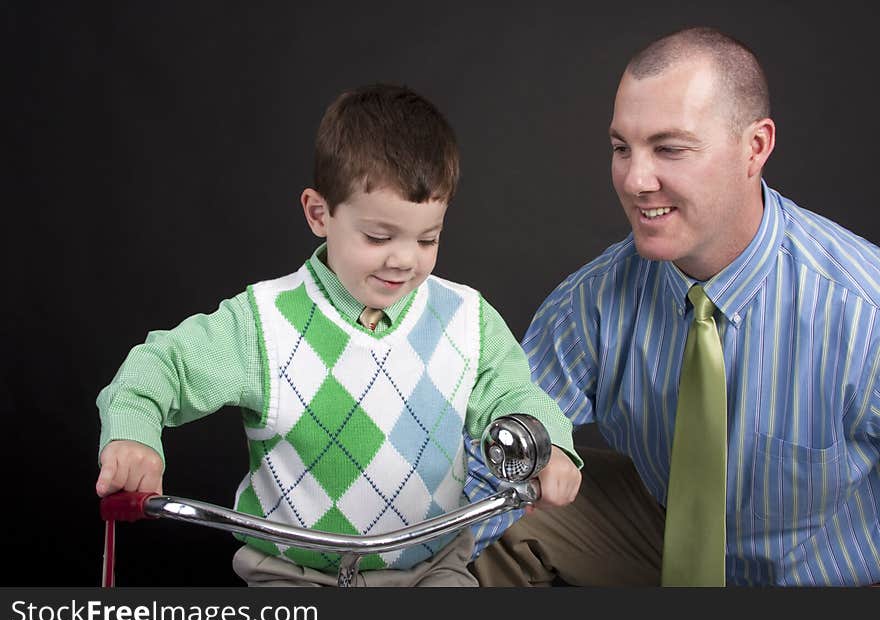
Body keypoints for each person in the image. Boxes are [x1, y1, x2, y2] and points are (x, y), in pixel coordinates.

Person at [94, 83, 582, 587]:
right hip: (292, 572)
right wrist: (134, 433)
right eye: (377, 237)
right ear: (319, 214)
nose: (404, 259)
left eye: (427, 238)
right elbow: (163, 367)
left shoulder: (466, 318)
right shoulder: (262, 323)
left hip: (431, 569)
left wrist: (548, 446)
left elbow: (512, 392)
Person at [470, 26, 880, 587]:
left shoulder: (863, 309)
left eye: (669, 148)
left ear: (754, 148)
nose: (635, 180)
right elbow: (498, 445)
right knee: (512, 501)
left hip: (819, 582)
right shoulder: (594, 301)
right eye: (621, 148)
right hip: (662, 545)